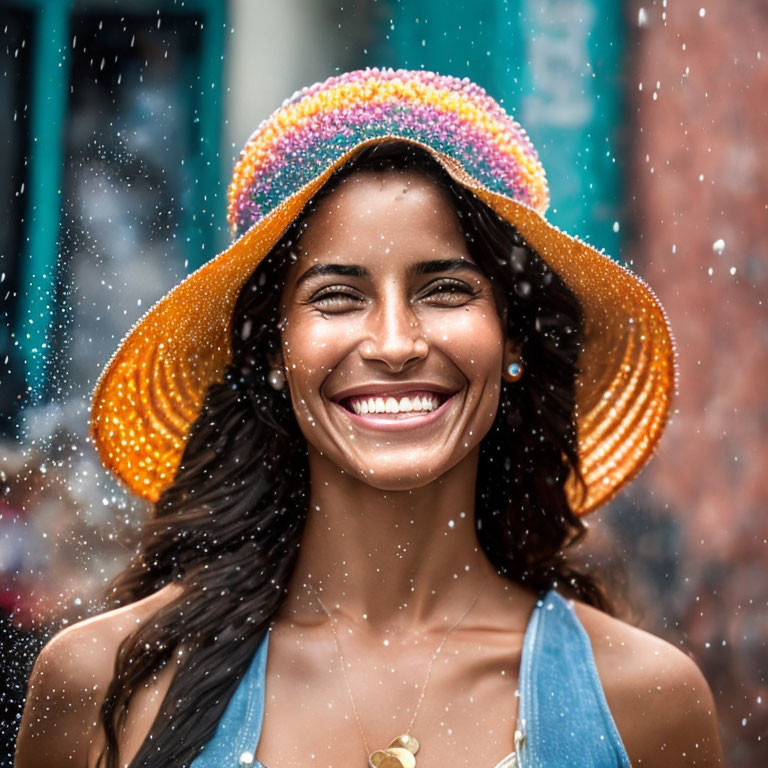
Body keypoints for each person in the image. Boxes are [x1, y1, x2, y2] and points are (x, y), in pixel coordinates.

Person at [15, 68, 725, 768]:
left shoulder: (644, 703)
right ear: (273, 349)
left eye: (445, 290)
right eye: (337, 296)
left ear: (513, 340)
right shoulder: (103, 684)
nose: (394, 344)